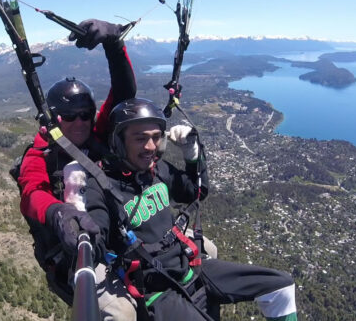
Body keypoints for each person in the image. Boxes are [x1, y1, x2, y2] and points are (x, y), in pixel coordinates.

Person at [84, 98, 298, 320]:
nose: (150, 147)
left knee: (280, 288)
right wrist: (83, 230)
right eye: (140, 139)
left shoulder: (156, 171)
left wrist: (192, 157)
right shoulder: (100, 187)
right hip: (156, 289)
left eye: (156, 138)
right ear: (118, 142)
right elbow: (96, 232)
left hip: (190, 265)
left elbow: (196, 192)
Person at [17, 19, 138, 319]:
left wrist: (114, 44)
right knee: (122, 314)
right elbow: (32, 193)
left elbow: (123, 94)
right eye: (72, 116)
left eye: (86, 114)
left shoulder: (96, 136)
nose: (82, 122)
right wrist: (57, 212)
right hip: (77, 253)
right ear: (56, 120)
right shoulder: (40, 155)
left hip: (117, 239)